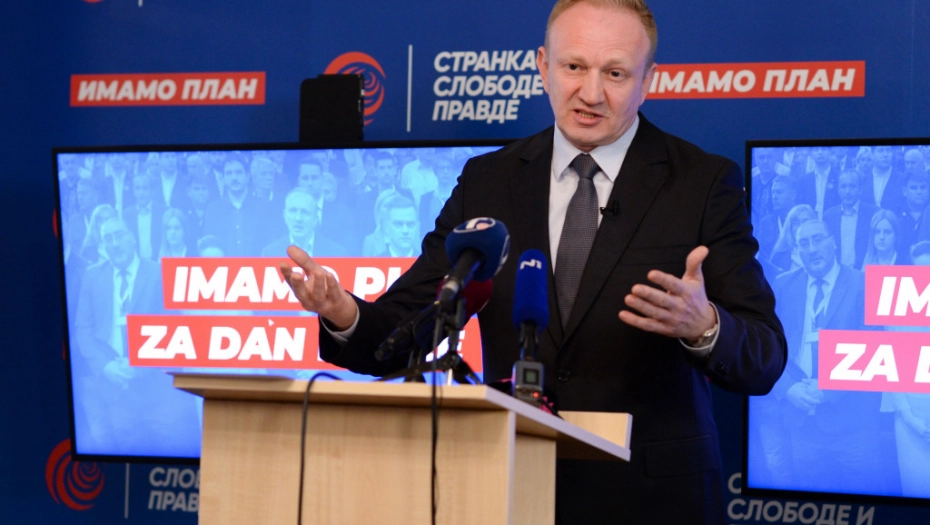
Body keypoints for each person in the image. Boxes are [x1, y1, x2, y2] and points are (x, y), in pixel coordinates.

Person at [279, 1, 786, 523]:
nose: (591, 93)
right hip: (512, 490)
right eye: (574, 66)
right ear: (543, 66)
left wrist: (704, 327)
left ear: (647, 81)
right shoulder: (488, 181)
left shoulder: (702, 183)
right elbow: (408, 326)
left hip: (654, 502)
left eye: (615, 73)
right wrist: (343, 313)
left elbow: (765, 357)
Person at [768, 220, 887, 493]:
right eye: (804, 243)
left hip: (853, 426)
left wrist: (828, 387)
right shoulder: (784, 285)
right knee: (814, 506)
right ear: (797, 251)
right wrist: (787, 388)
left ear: (833, 242)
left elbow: (873, 350)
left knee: (863, 505)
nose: (812, 249)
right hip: (801, 422)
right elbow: (771, 347)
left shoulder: (863, 284)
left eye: (818, 239)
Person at [261, 188, 347, 257]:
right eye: (293, 211)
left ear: (315, 219)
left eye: (305, 212)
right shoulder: (269, 253)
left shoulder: (336, 253)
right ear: (285, 216)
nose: (298, 218)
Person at [822, 170, 878, 268]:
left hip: (864, 270)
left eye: (852, 186)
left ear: (860, 190)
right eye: (843, 187)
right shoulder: (829, 216)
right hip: (837, 271)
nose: (847, 191)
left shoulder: (873, 213)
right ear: (838, 190)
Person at [768, 204, 817, 275]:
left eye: (805, 221)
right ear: (790, 228)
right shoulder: (779, 257)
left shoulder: (823, 251)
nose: (801, 226)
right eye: (796, 223)